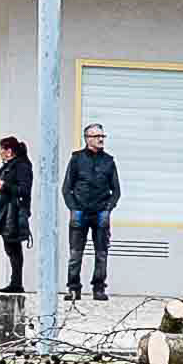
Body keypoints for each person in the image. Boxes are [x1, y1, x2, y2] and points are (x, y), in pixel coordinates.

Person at [61, 123, 120, 301]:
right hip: (80, 212)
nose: (101, 139)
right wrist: (73, 208)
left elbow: (116, 191)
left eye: (102, 136)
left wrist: (108, 209)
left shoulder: (109, 161)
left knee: (101, 253)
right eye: (96, 136)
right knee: (75, 253)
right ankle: (73, 289)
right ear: (87, 139)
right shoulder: (77, 159)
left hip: (100, 212)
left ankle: (99, 288)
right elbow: (66, 188)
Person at [0, 136, 33, 294]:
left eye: (2, 149)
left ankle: (16, 283)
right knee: (11, 249)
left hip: (12, 215)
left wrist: (5, 185)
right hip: (6, 215)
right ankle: (15, 282)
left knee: (14, 250)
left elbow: (24, 190)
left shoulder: (21, 166)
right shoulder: (10, 166)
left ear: (9, 151)